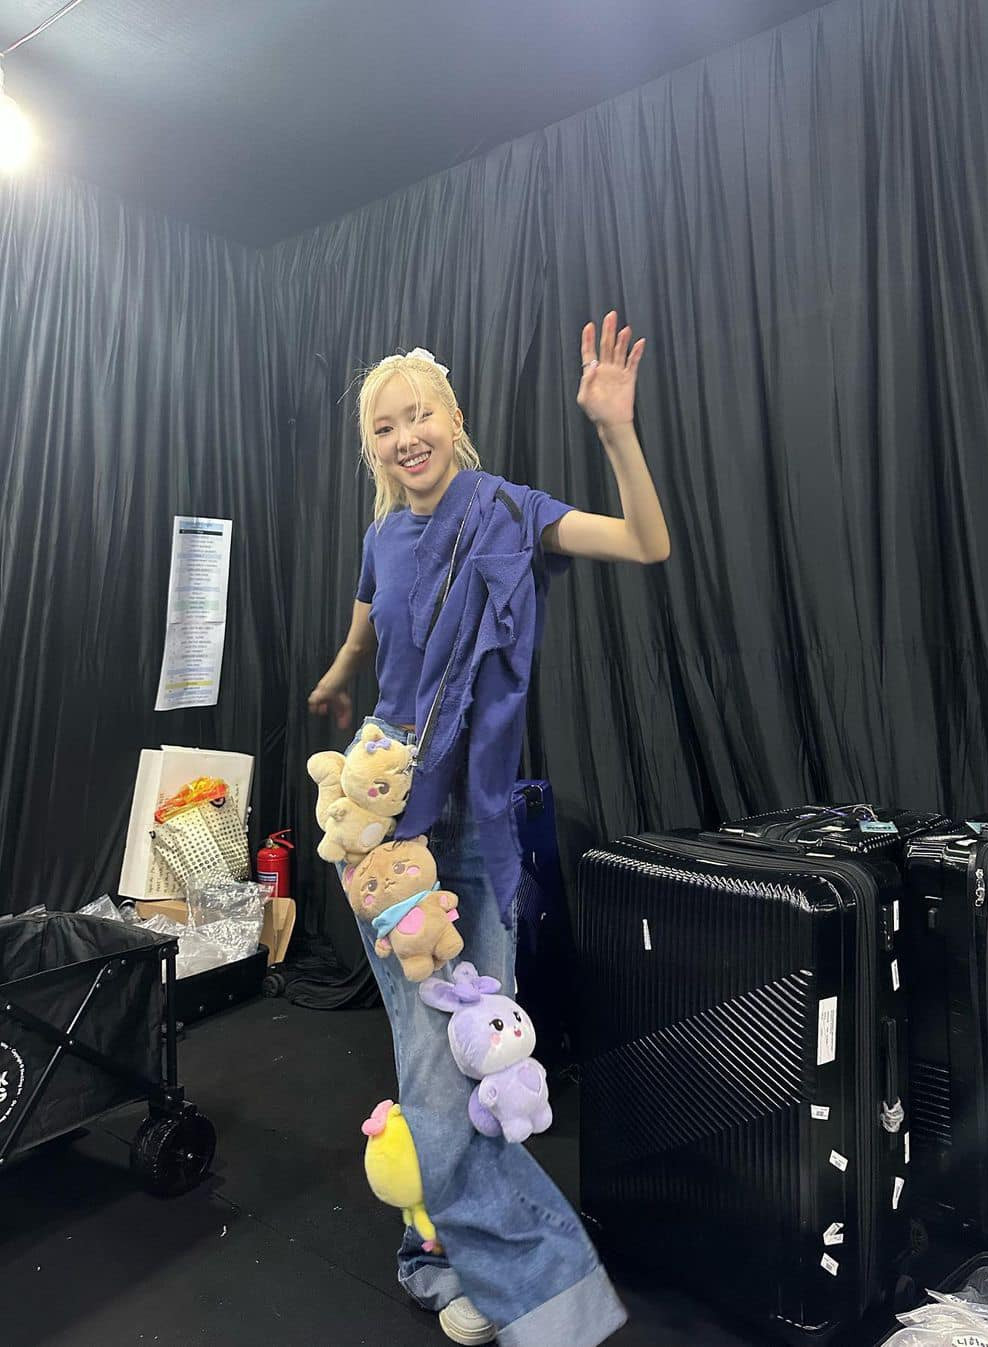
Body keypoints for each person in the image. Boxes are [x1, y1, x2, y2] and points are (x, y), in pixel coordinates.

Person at [308, 311, 669, 1346]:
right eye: (384, 428)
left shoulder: (513, 512)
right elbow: (367, 625)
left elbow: (644, 542)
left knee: (481, 1059)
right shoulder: (382, 536)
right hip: (390, 833)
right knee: (434, 1067)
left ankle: (433, 1252)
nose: (405, 437)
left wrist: (615, 430)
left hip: (485, 830)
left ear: (452, 416)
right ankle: (523, 1291)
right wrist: (339, 677)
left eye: (417, 414)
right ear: (374, 448)